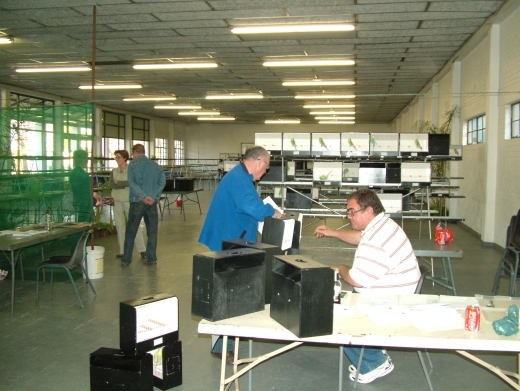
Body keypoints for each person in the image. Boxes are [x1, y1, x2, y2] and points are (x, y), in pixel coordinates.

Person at [314, 189, 420, 384]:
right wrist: (333, 233)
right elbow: (358, 237)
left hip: (391, 298)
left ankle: (374, 363)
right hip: (397, 288)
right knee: (340, 297)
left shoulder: (376, 240)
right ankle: (371, 348)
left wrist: (341, 267)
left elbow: (357, 280)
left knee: (330, 311)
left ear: (369, 210)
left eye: (352, 212)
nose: (349, 216)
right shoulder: (382, 225)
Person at [198, 145, 284, 363]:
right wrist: (271, 211)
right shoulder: (239, 178)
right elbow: (250, 206)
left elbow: (247, 204)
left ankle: (227, 337)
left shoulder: (240, 176)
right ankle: (219, 345)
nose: (264, 173)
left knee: (231, 289)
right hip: (227, 240)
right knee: (228, 292)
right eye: (265, 168)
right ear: (258, 161)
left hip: (232, 237)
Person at [120, 144, 165, 267]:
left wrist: (143, 196)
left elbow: (131, 183)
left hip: (137, 202)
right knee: (152, 232)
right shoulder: (155, 165)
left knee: (131, 231)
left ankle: (126, 260)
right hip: (152, 203)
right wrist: (154, 196)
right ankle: (151, 258)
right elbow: (162, 181)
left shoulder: (133, 165)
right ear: (143, 152)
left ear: (135, 152)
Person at [110, 150, 147, 260]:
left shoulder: (131, 170)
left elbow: (131, 183)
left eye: (119, 157)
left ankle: (142, 250)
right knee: (120, 226)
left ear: (125, 158)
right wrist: (123, 183)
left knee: (133, 225)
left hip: (128, 200)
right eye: (116, 157)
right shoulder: (114, 171)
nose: (117, 159)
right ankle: (122, 251)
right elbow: (112, 185)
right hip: (117, 201)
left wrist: (119, 183)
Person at [69, 149, 103, 251]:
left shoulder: (77, 172)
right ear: (82, 159)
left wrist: (94, 194)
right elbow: (82, 192)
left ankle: (77, 253)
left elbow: (84, 188)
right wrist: (96, 202)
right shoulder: (79, 173)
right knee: (82, 230)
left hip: (83, 203)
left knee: (82, 230)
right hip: (84, 204)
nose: (87, 161)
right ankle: (75, 253)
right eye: (86, 158)